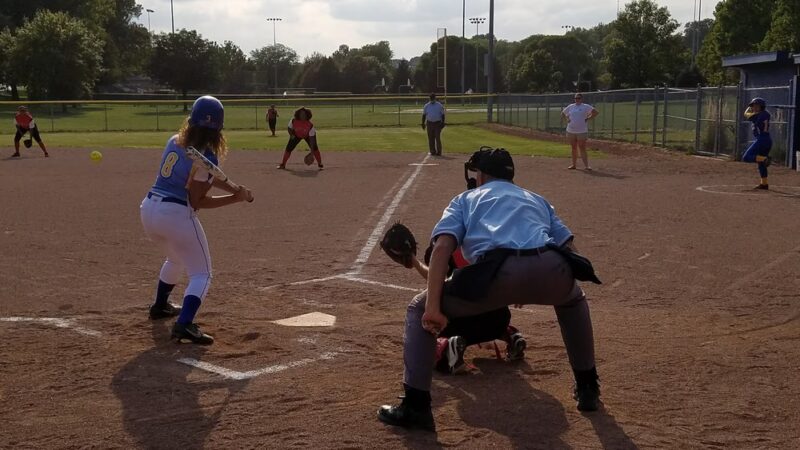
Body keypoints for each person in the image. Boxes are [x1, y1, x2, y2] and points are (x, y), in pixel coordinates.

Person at [378, 147, 601, 432]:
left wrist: (433, 306)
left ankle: (415, 407)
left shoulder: (465, 198)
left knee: (418, 309)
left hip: (496, 273)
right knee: (573, 301)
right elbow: (569, 246)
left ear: (480, 175)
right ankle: (588, 388)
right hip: (551, 267)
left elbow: (443, 248)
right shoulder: (536, 198)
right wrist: (559, 280)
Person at [140, 95, 253, 345]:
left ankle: (160, 306)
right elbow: (197, 201)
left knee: (176, 257)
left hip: (149, 209)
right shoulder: (208, 156)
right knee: (202, 273)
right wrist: (235, 198)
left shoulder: (176, 141)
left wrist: (235, 189)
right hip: (175, 214)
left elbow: (207, 173)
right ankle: (185, 324)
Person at [409, 245, 528, 374]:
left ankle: (447, 347)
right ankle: (509, 335)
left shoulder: (443, 248)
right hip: (500, 319)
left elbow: (439, 281)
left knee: (428, 325)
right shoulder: (485, 244)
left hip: (466, 325)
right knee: (487, 303)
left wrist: (414, 261)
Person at [561, 93, 598, 170]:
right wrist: (567, 119)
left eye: (579, 98)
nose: (577, 99)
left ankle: (586, 166)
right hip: (571, 130)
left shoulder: (585, 106)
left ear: (581, 99)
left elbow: (595, 112)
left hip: (582, 131)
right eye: (576, 98)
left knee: (582, 147)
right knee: (573, 147)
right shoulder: (571, 106)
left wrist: (588, 118)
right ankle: (574, 165)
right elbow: (563, 113)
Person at [741, 97, 772, 190]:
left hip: (762, 140)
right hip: (766, 140)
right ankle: (764, 183)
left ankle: (765, 159)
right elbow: (748, 114)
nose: (753, 108)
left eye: (755, 106)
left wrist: (749, 108)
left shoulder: (759, 115)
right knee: (760, 163)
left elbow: (746, 114)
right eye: (752, 106)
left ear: (761, 107)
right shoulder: (764, 114)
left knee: (746, 157)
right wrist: (752, 106)